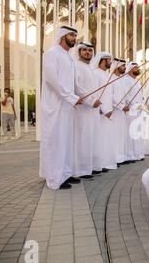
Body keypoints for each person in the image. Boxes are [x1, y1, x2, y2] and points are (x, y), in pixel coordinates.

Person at [39, 26, 83, 190]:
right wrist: (72, 98)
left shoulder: (68, 57)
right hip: (55, 107)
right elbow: (53, 81)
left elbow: (72, 82)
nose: (74, 38)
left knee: (66, 142)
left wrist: (78, 97)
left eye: (75, 35)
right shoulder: (52, 53)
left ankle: (65, 173)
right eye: (72, 35)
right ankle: (54, 178)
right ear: (63, 36)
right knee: (56, 142)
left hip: (67, 106)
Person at [72, 42, 102, 179]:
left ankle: (91, 167)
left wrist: (97, 101)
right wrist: (91, 101)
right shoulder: (77, 66)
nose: (87, 52)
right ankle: (82, 170)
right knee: (83, 139)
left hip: (93, 110)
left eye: (90, 50)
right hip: (83, 110)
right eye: (84, 50)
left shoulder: (90, 68)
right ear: (79, 52)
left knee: (93, 138)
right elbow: (78, 87)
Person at [90, 51, 118, 172]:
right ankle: (98, 164)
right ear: (102, 60)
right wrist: (101, 109)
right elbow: (96, 93)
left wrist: (110, 109)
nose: (110, 62)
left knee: (107, 138)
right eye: (108, 60)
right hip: (100, 112)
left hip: (108, 112)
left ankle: (106, 162)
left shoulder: (107, 75)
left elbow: (109, 95)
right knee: (99, 139)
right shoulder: (95, 74)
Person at [124, 62, 145, 162]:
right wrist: (133, 104)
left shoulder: (137, 81)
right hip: (131, 109)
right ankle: (130, 155)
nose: (137, 69)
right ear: (130, 69)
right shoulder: (126, 80)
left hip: (139, 109)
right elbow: (126, 95)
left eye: (137, 67)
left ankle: (138, 154)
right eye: (135, 68)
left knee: (137, 131)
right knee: (131, 132)